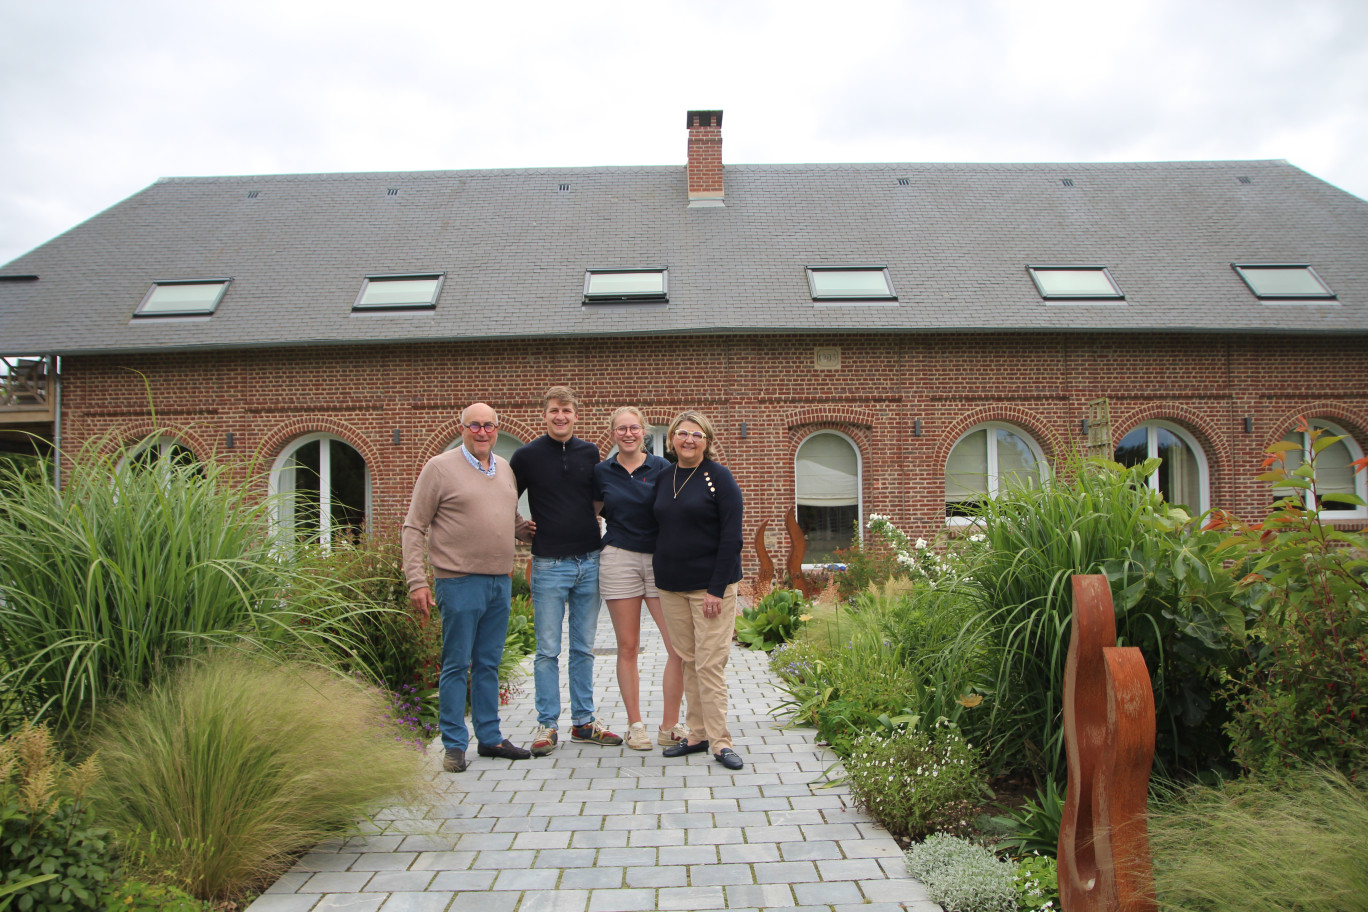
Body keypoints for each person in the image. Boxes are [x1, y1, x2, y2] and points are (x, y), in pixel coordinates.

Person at [402, 402, 533, 773]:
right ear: (462, 428)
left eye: (489, 425)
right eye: (474, 425)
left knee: (488, 663)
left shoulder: (504, 467)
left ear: (496, 429)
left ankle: (490, 738)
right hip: (457, 580)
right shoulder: (439, 468)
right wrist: (416, 580)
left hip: (499, 580)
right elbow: (414, 527)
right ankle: (455, 745)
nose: (482, 432)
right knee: (458, 664)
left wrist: (528, 529)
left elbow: (510, 516)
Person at [509, 386, 622, 754]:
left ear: (576, 415)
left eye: (567, 411)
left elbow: (602, 497)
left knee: (584, 648)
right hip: (548, 565)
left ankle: (583, 722)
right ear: (544, 414)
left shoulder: (590, 453)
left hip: (589, 561)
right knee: (546, 650)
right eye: (555, 410)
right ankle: (546, 725)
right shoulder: (526, 456)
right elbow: (502, 497)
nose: (561, 416)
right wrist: (519, 527)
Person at [653, 410, 745, 770]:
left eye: (696, 435)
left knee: (709, 664)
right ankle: (696, 734)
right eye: (682, 433)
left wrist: (716, 590)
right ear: (672, 438)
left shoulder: (719, 478)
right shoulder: (664, 477)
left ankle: (721, 743)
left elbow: (732, 537)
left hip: (710, 589)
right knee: (689, 661)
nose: (688, 440)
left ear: (707, 441)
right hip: (671, 587)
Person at [593, 406, 688, 751]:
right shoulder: (601, 471)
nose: (628, 434)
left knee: (677, 647)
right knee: (628, 646)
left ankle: (668, 725)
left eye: (634, 428)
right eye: (621, 429)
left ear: (643, 431)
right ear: (612, 433)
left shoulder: (663, 467)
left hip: (660, 560)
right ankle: (636, 726)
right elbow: (590, 514)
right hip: (619, 558)